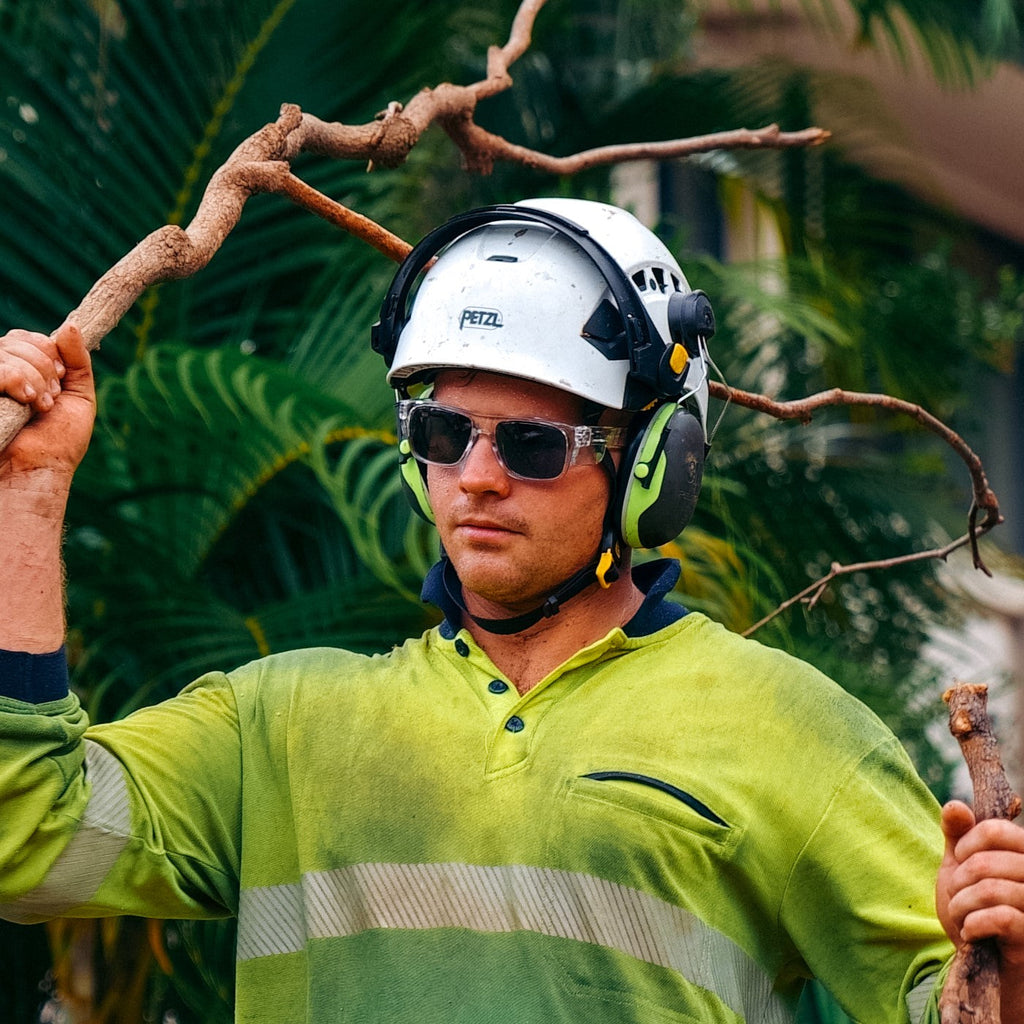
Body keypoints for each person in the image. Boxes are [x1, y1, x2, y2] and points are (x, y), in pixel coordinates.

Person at [0, 197, 1022, 1024]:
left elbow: (955, 1008)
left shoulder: (791, 729)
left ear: (654, 461)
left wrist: (1006, 963)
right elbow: (24, 835)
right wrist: (30, 492)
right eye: (443, 433)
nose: (478, 478)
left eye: (533, 445)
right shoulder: (278, 727)